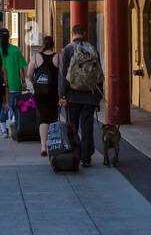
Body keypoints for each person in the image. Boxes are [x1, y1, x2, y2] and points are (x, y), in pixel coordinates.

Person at [59, 24, 103, 167]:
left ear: (72, 34)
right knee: (87, 126)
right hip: (90, 95)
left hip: (73, 95)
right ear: (84, 33)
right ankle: (86, 157)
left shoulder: (68, 50)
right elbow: (99, 74)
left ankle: (74, 154)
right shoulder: (92, 49)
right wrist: (98, 97)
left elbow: (64, 75)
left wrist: (62, 95)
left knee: (72, 126)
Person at [27, 35, 60, 156]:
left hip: (40, 92)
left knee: (43, 118)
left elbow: (29, 73)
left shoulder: (36, 57)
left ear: (43, 44)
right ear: (53, 44)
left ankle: (43, 146)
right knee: (53, 117)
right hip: (53, 92)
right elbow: (62, 76)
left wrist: (34, 83)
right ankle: (53, 143)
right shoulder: (58, 57)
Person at [0, 27, 27, 137]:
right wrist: (23, 81)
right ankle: (13, 121)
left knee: (3, 106)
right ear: (8, 38)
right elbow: (20, 69)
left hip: (0, 85)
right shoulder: (16, 50)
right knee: (15, 105)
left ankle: (4, 131)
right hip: (14, 83)